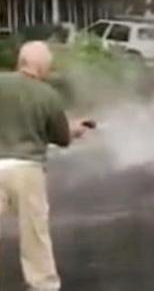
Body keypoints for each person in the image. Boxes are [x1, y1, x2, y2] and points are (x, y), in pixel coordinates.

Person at [0, 41, 90, 291]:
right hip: (27, 170)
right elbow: (61, 138)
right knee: (34, 233)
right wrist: (76, 130)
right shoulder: (47, 95)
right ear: (42, 67)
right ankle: (43, 284)